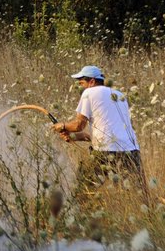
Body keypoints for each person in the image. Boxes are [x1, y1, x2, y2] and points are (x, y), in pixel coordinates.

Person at [51, 65, 149, 204]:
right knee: (139, 194)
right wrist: (73, 136)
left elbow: (79, 125)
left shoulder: (89, 93)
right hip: (131, 151)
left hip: (106, 152)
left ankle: (82, 217)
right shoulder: (119, 96)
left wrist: (63, 125)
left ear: (91, 81)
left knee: (84, 190)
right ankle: (148, 216)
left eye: (82, 83)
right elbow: (102, 133)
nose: (81, 87)